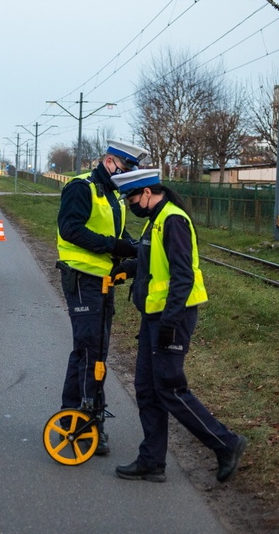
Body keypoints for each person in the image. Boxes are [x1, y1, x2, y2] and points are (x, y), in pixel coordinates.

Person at [109, 168, 247, 482]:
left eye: (131, 197)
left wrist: (170, 323)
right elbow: (151, 264)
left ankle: (226, 443)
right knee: (146, 389)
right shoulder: (154, 222)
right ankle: (152, 461)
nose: (130, 204)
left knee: (170, 388)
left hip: (173, 317)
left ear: (146, 193)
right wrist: (124, 270)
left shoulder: (173, 220)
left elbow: (183, 277)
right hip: (153, 316)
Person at [56, 139, 150, 456]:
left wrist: (132, 248)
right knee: (92, 353)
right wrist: (112, 245)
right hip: (83, 278)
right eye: (124, 169)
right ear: (109, 162)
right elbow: (70, 229)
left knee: (88, 351)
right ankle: (87, 425)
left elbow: (116, 232)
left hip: (103, 281)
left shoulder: (111, 195)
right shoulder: (81, 188)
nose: (125, 177)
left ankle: (73, 416)